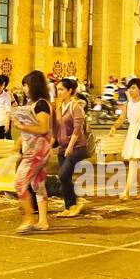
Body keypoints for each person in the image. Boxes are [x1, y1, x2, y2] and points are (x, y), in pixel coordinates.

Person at [12, 70, 53, 234]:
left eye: (26, 85)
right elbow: (31, 131)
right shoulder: (34, 105)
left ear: (34, 86)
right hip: (36, 149)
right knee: (37, 185)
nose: (24, 89)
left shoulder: (41, 105)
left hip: (37, 152)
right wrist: (18, 142)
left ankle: (29, 217)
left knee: (19, 182)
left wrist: (21, 126)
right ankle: (43, 221)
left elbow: (43, 128)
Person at [53, 78, 91, 218]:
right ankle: (69, 207)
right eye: (57, 89)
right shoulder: (59, 108)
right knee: (64, 178)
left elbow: (77, 129)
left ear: (70, 91)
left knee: (63, 175)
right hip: (62, 148)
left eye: (62, 89)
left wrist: (70, 147)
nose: (59, 92)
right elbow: (56, 129)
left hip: (77, 147)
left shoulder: (75, 107)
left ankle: (74, 204)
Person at [109, 78, 140, 200]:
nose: (131, 91)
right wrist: (114, 127)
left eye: (134, 88)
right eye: (129, 88)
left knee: (134, 161)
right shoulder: (128, 104)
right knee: (136, 163)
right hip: (132, 133)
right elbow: (122, 118)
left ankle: (126, 191)